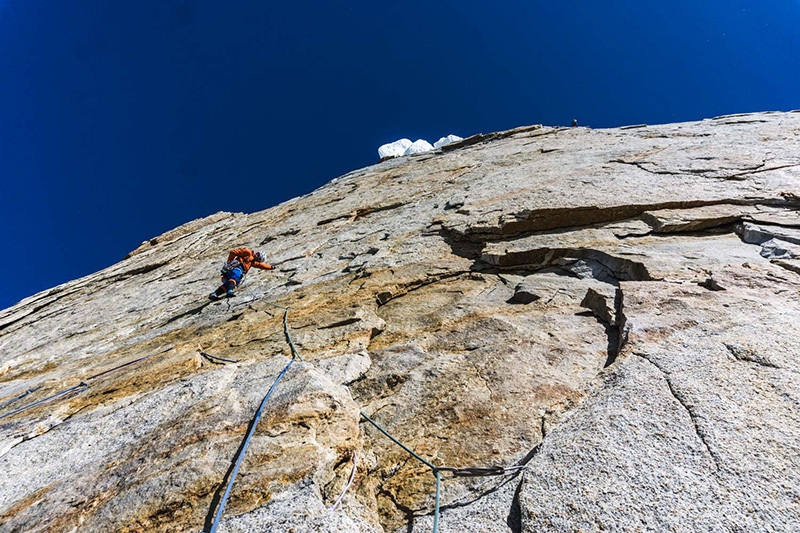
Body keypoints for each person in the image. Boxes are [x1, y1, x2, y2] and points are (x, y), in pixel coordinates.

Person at [209, 248, 274, 300]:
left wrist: (271, 267)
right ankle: (229, 291)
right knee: (235, 278)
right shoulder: (248, 252)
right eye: (258, 255)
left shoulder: (252, 262)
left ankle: (215, 294)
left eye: (259, 258)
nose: (257, 257)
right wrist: (230, 262)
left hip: (231, 270)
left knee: (227, 284)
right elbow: (233, 252)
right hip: (237, 268)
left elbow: (262, 266)